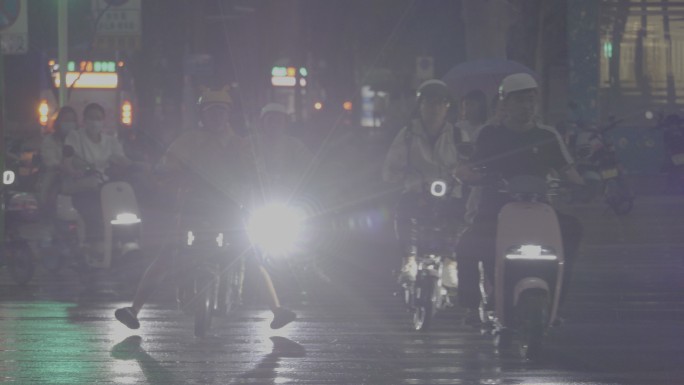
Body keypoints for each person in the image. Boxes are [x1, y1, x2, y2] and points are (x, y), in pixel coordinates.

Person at [114, 87, 297, 331]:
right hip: (192, 209)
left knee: (251, 256)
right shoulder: (188, 141)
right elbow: (166, 167)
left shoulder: (241, 145)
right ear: (203, 115)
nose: (217, 117)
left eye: (221, 112)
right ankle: (134, 309)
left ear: (228, 115)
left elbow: (256, 171)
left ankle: (277, 310)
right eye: (212, 112)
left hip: (230, 211)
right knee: (166, 256)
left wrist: (262, 181)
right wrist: (164, 173)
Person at [454, 73, 584, 324]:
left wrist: (583, 186)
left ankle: (557, 303)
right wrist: (468, 175)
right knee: (467, 246)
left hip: (539, 209)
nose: (527, 106)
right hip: (495, 209)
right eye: (520, 100)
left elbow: (568, 172)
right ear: (505, 104)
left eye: (531, 100)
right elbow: (470, 167)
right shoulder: (489, 134)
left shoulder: (547, 135)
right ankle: (470, 306)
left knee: (572, 229)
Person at [382, 79, 468, 288]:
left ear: (447, 107)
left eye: (440, 103)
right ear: (420, 106)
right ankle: (408, 260)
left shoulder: (457, 135)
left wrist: (461, 175)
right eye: (430, 103)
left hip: (449, 193)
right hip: (416, 191)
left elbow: (468, 164)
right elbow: (391, 167)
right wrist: (402, 177)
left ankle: (450, 261)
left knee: (460, 215)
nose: (435, 108)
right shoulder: (408, 134)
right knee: (404, 211)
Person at [61, 103, 139, 250]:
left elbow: (121, 159)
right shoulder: (75, 137)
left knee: (123, 208)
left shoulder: (110, 140)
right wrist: (73, 171)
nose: (95, 122)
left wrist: (136, 165)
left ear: (103, 120)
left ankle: (125, 239)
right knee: (94, 211)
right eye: (91, 117)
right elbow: (67, 160)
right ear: (84, 120)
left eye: (98, 118)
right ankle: (93, 246)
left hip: (103, 186)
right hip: (82, 187)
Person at [250, 102, 313, 201]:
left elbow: (310, 166)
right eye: (270, 120)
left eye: (279, 121)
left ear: (285, 124)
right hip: (257, 197)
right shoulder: (250, 144)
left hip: (289, 197)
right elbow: (241, 168)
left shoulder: (295, 145)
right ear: (262, 123)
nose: (274, 124)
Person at [37, 106, 78, 214]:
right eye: (66, 120)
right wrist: (63, 167)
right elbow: (49, 161)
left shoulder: (79, 140)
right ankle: (48, 209)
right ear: (58, 122)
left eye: (72, 120)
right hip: (56, 175)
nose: (70, 123)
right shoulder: (49, 140)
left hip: (78, 176)